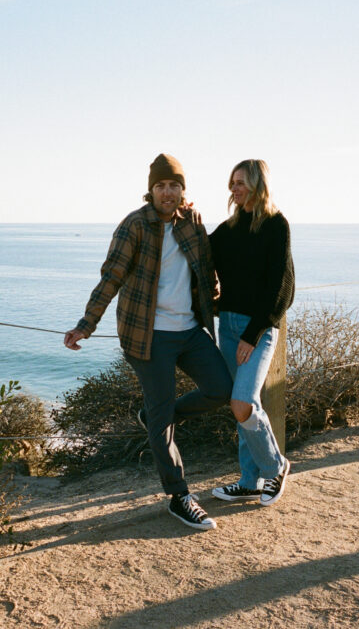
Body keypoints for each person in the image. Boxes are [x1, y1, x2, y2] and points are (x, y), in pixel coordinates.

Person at [64, 153, 233, 531]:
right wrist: (86, 324)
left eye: (174, 186)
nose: (167, 192)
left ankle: (158, 418)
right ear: (150, 190)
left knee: (222, 389)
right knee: (160, 419)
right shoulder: (134, 226)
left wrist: (223, 307)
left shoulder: (193, 221)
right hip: (148, 336)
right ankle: (179, 496)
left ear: (183, 190)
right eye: (161, 186)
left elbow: (207, 271)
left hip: (190, 331)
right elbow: (110, 278)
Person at [208, 159, 295, 507]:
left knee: (242, 402)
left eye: (240, 182)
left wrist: (253, 333)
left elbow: (282, 287)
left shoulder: (276, 225)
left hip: (254, 331)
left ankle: (276, 466)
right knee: (244, 406)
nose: (234, 189)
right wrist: (184, 218)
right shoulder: (230, 227)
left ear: (258, 184)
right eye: (232, 183)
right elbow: (201, 249)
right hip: (226, 324)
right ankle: (249, 481)